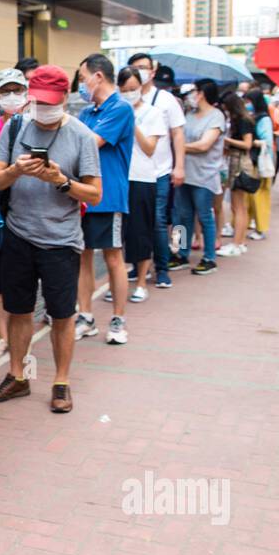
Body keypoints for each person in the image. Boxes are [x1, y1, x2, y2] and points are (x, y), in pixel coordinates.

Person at [0, 64, 102, 414]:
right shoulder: (17, 126)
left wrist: (61, 181)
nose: (44, 109)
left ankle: (61, 381)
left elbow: (94, 194)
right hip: (19, 234)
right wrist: (16, 170)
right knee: (18, 310)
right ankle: (17, 376)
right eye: (38, 102)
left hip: (61, 241)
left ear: (65, 98)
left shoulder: (81, 135)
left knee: (62, 314)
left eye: (51, 102)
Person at [73, 53, 135, 345]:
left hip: (108, 196)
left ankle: (118, 319)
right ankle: (85, 317)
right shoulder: (87, 113)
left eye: (83, 77)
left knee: (113, 257)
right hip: (81, 195)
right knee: (82, 256)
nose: (81, 84)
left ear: (98, 76)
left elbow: (89, 144)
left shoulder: (120, 109)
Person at [0, 68, 31, 358]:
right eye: (5, 91)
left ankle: (22, 332)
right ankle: (4, 336)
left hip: (32, 210)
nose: (11, 97)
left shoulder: (36, 124)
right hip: (0, 210)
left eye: (17, 90)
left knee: (25, 279)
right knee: (0, 280)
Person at [129, 53, 186, 289]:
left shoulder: (166, 100)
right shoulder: (125, 99)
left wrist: (179, 166)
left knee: (158, 221)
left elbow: (178, 134)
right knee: (135, 222)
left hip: (160, 171)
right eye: (135, 68)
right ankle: (137, 265)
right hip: (133, 172)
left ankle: (162, 268)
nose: (139, 72)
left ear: (153, 71)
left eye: (143, 68)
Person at [113, 66, 165, 303]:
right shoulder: (113, 111)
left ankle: (142, 282)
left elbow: (149, 148)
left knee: (141, 232)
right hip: (119, 179)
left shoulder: (152, 113)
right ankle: (120, 282)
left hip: (143, 178)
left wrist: (131, 121)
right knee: (118, 235)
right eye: (124, 90)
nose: (129, 94)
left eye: (133, 89)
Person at [169, 79, 225, 275]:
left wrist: (179, 147)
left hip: (204, 176)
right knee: (180, 216)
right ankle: (179, 253)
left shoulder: (216, 117)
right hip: (184, 173)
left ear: (201, 93)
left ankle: (209, 257)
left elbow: (204, 145)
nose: (191, 96)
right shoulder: (189, 115)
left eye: (194, 92)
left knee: (204, 216)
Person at [217, 91, 256, 257]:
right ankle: (240, 242)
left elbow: (247, 144)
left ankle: (237, 242)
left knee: (237, 206)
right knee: (239, 206)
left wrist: (227, 140)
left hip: (239, 163)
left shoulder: (242, 121)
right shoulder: (243, 119)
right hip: (238, 162)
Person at [245, 88, 274, 240]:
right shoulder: (254, 117)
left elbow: (267, 142)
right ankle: (250, 224)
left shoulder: (263, 119)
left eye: (249, 101)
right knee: (249, 197)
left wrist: (251, 142)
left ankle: (261, 228)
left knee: (260, 197)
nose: (247, 104)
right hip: (253, 161)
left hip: (261, 162)